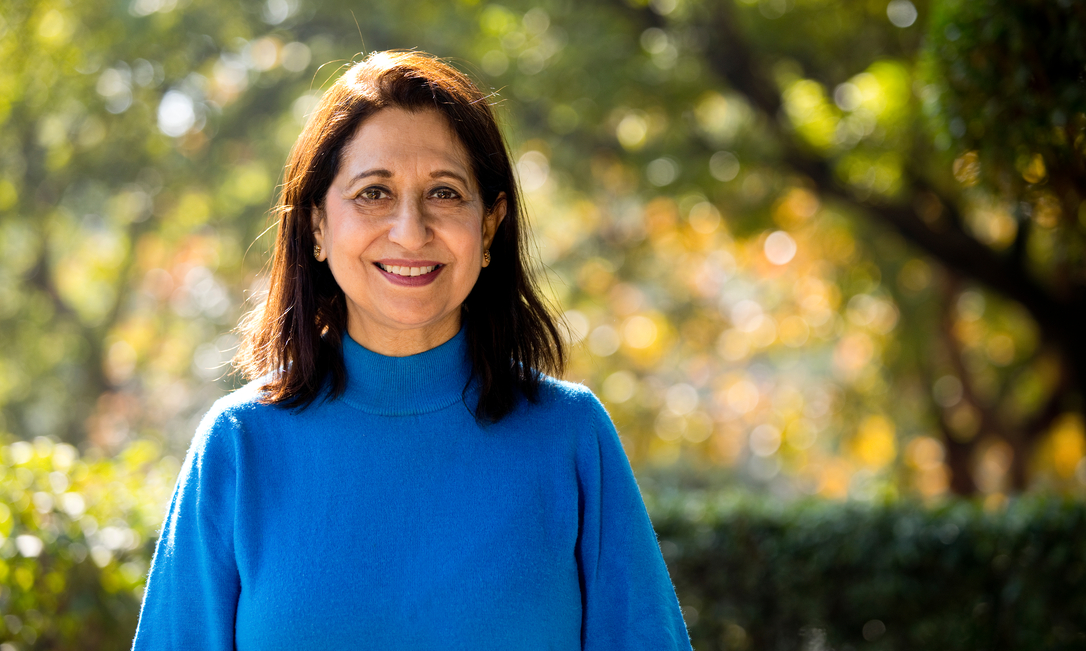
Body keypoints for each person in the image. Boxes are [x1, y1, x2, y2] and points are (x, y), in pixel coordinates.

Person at [132, 50, 692, 650]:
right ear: (318, 224)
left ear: (491, 225)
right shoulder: (240, 446)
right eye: (373, 193)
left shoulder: (571, 435)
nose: (410, 230)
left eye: (445, 193)